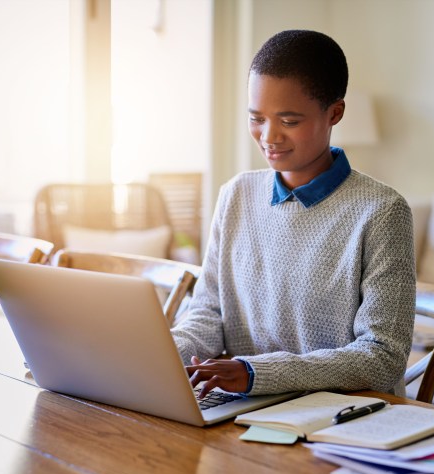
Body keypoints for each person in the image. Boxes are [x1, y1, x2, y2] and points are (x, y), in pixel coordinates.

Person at [171, 29, 416, 400]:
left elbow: (382, 358)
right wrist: (156, 353)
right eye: (256, 118)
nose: (269, 136)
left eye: (289, 121)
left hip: (340, 417)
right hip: (246, 409)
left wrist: (256, 373)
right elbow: (208, 314)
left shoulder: (382, 212)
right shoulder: (235, 195)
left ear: (335, 112)